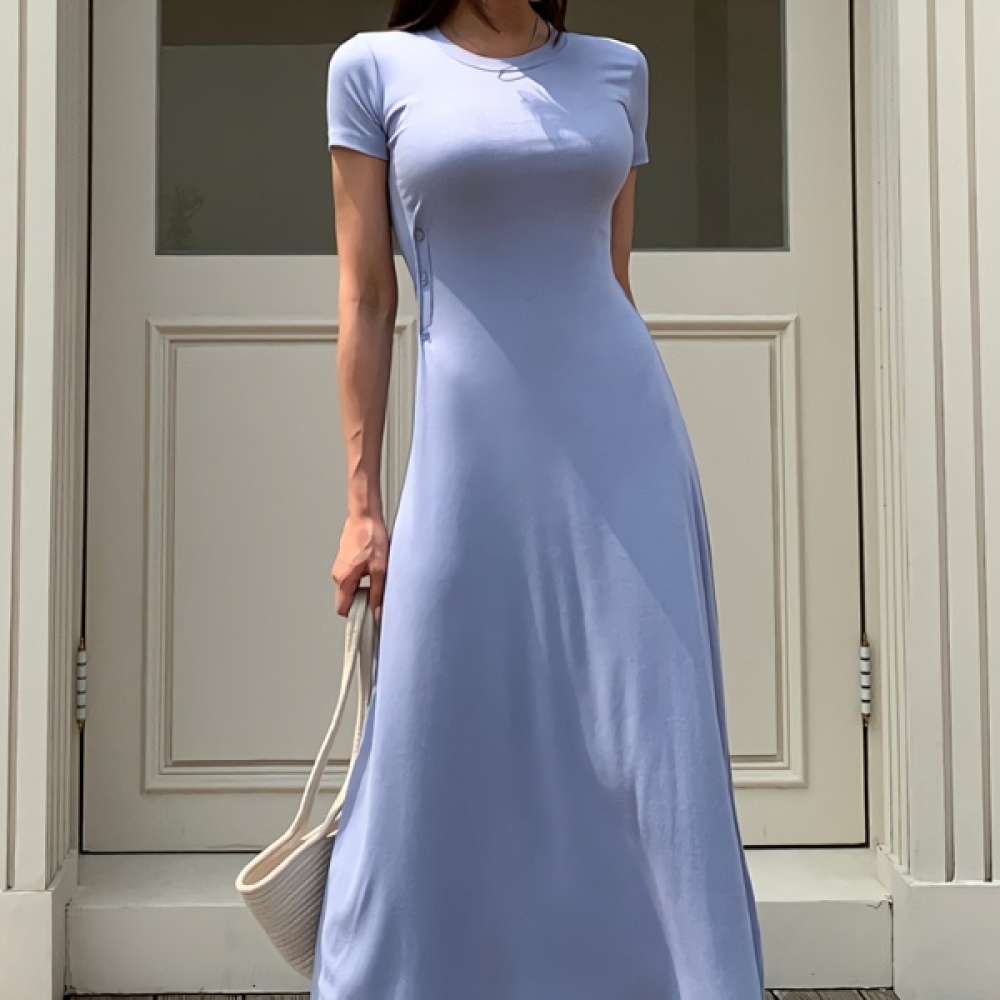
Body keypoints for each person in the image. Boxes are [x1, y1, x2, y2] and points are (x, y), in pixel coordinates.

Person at [313, 1, 765, 997]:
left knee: (651, 740)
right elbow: (368, 297)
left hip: (625, 445)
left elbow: (611, 280)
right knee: (442, 725)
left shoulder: (617, 70)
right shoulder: (374, 69)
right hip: (467, 457)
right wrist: (362, 501)